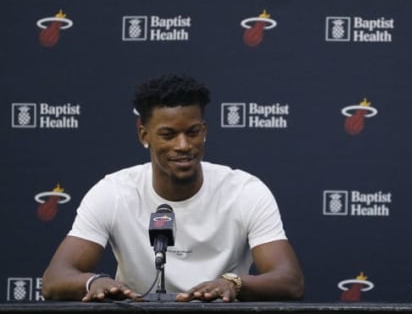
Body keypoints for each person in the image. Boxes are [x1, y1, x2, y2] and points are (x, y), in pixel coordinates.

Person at [42, 74, 304, 302]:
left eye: (192, 132)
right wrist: (92, 282)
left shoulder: (245, 190)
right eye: (168, 135)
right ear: (144, 135)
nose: (183, 145)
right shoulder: (114, 192)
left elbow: (290, 281)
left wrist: (233, 283)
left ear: (205, 131)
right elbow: (54, 280)